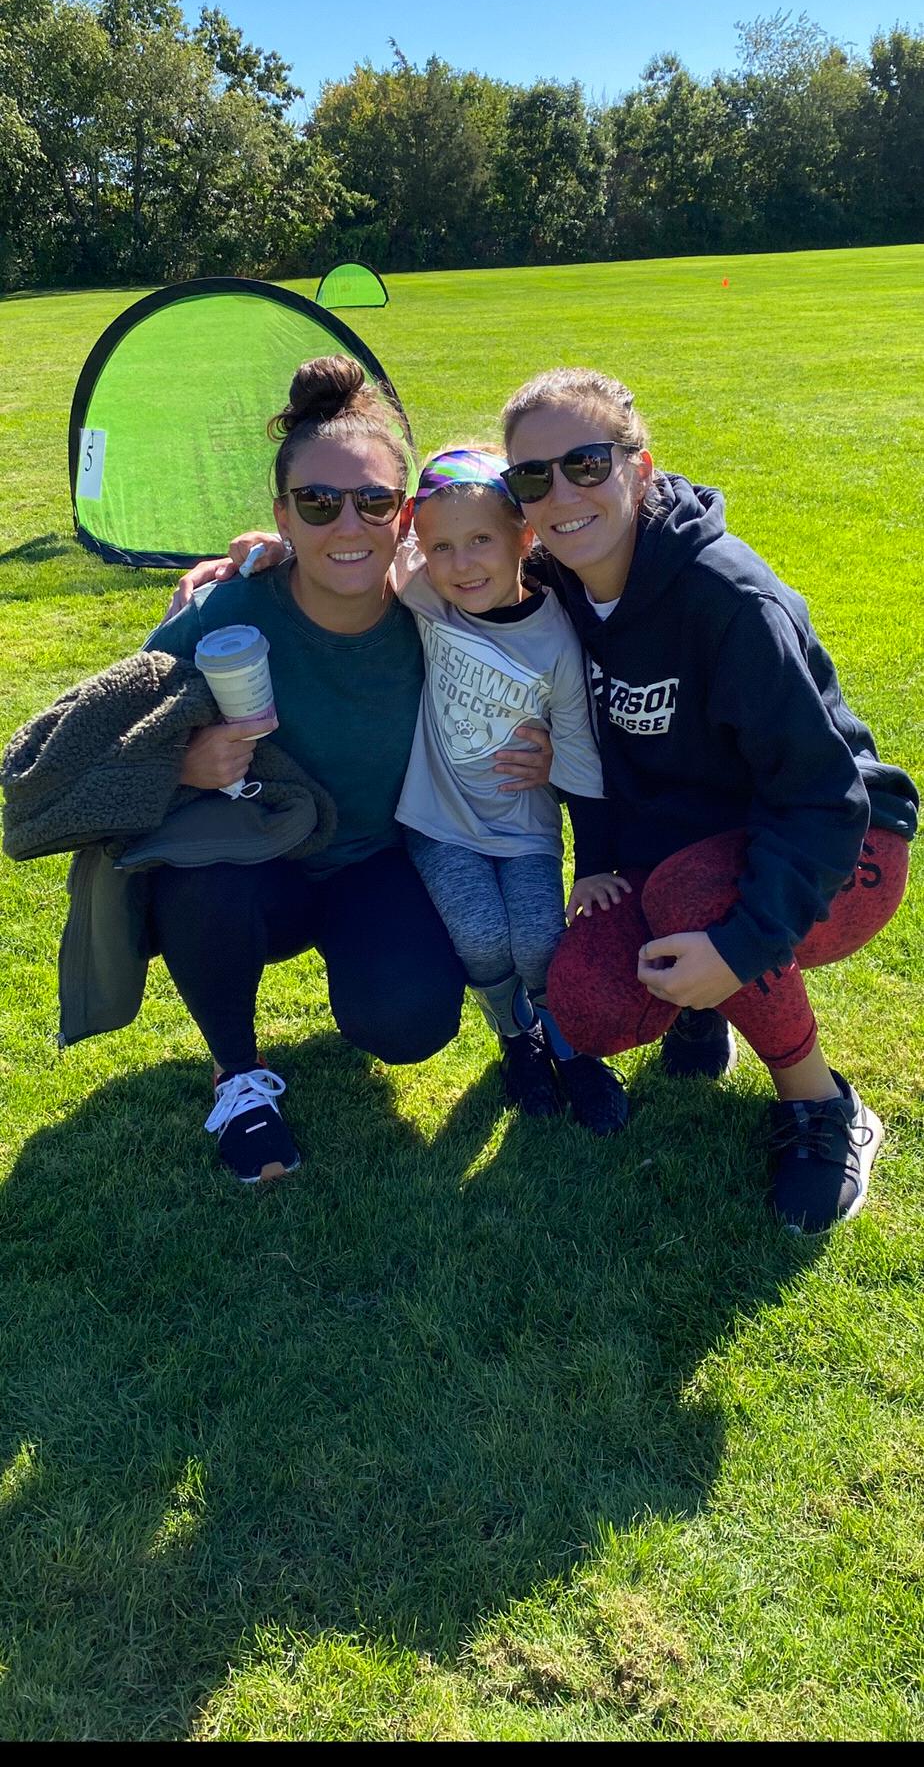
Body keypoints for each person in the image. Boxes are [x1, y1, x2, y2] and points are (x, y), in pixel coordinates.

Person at [495, 367, 918, 1232]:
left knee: (699, 902)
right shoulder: (558, 580)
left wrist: (742, 946)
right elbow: (436, 561)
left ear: (640, 468)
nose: (561, 494)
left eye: (586, 463)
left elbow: (821, 796)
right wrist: (267, 562)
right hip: (684, 853)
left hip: (844, 846)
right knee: (584, 997)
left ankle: (822, 1104)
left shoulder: (727, 599)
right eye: (531, 478)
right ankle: (711, 1008)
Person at [146, 356, 550, 1185]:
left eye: (372, 502)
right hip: (257, 865)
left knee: (408, 1024)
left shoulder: (434, 598)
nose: (347, 526)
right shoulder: (230, 605)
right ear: (282, 516)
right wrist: (179, 760)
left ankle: (380, 975)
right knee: (197, 878)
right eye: (318, 503)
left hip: (376, 860)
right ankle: (236, 1077)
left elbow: (540, 621)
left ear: (403, 516)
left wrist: (540, 739)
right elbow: (112, 726)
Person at [395, 447, 631, 1133]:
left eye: (479, 542)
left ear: (523, 537)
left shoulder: (557, 634)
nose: (462, 565)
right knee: (478, 935)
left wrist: (589, 867)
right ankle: (515, 1038)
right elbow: (351, 561)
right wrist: (262, 548)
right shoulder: (425, 596)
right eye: (440, 546)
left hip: (524, 826)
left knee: (536, 942)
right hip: (437, 818)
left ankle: (569, 1047)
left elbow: (582, 754)